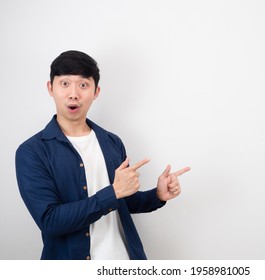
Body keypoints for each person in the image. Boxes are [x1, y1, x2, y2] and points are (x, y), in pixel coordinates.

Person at [15, 50, 190, 260]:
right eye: (64, 83)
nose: (73, 94)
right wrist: (113, 193)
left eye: (83, 85)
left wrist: (157, 195)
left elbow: (126, 202)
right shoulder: (32, 151)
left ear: (96, 91)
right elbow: (50, 221)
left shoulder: (112, 142)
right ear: (50, 88)